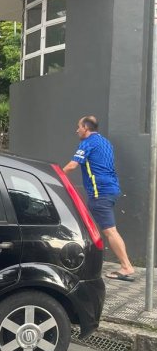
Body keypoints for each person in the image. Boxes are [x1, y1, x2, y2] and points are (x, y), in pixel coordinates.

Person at [62, 116, 135, 281]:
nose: (77, 130)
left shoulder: (87, 143)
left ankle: (126, 266)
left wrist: (56, 175)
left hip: (99, 192)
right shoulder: (105, 142)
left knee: (110, 231)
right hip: (112, 190)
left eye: (78, 127)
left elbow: (73, 165)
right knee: (97, 228)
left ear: (86, 128)